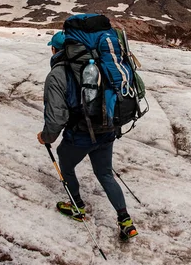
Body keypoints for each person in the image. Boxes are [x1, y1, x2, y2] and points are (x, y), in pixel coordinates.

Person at [37, 31, 138, 241]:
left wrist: (46, 137)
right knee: (105, 174)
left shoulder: (57, 75)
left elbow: (56, 118)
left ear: (56, 50)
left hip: (81, 135)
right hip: (107, 130)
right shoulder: (99, 65)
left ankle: (77, 206)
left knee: (65, 163)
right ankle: (125, 219)